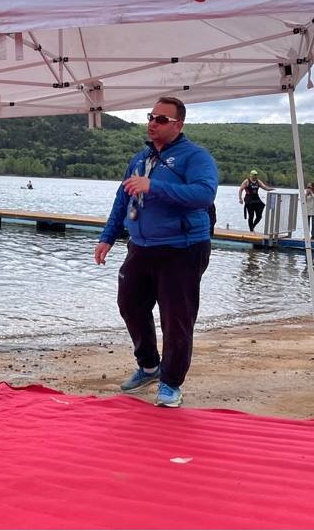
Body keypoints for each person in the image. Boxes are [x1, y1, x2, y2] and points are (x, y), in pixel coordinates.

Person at [94, 96, 218, 408]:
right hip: (141, 246)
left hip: (182, 248)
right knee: (130, 305)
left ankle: (171, 383)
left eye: (161, 119)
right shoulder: (139, 159)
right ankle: (149, 365)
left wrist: (155, 187)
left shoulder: (196, 157)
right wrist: (108, 236)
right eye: (151, 117)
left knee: (176, 318)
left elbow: (204, 194)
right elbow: (122, 199)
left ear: (179, 124)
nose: (152, 123)